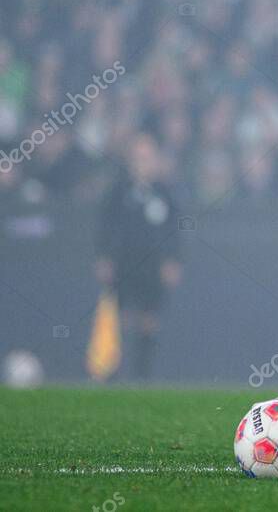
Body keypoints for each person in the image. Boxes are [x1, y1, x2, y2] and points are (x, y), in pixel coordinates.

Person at [95, 133, 182, 380]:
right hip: (124, 263)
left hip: (153, 266)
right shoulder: (118, 192)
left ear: (155, 161)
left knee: (149, 320)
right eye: (137, 158)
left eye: (146, 158)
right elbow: (106, 226)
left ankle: (143, 376)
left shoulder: (165, 193)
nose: (141, 164)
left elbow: (176, 229)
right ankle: (114, 375)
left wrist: (173, 260)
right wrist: (104, 257)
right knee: (121, 318)